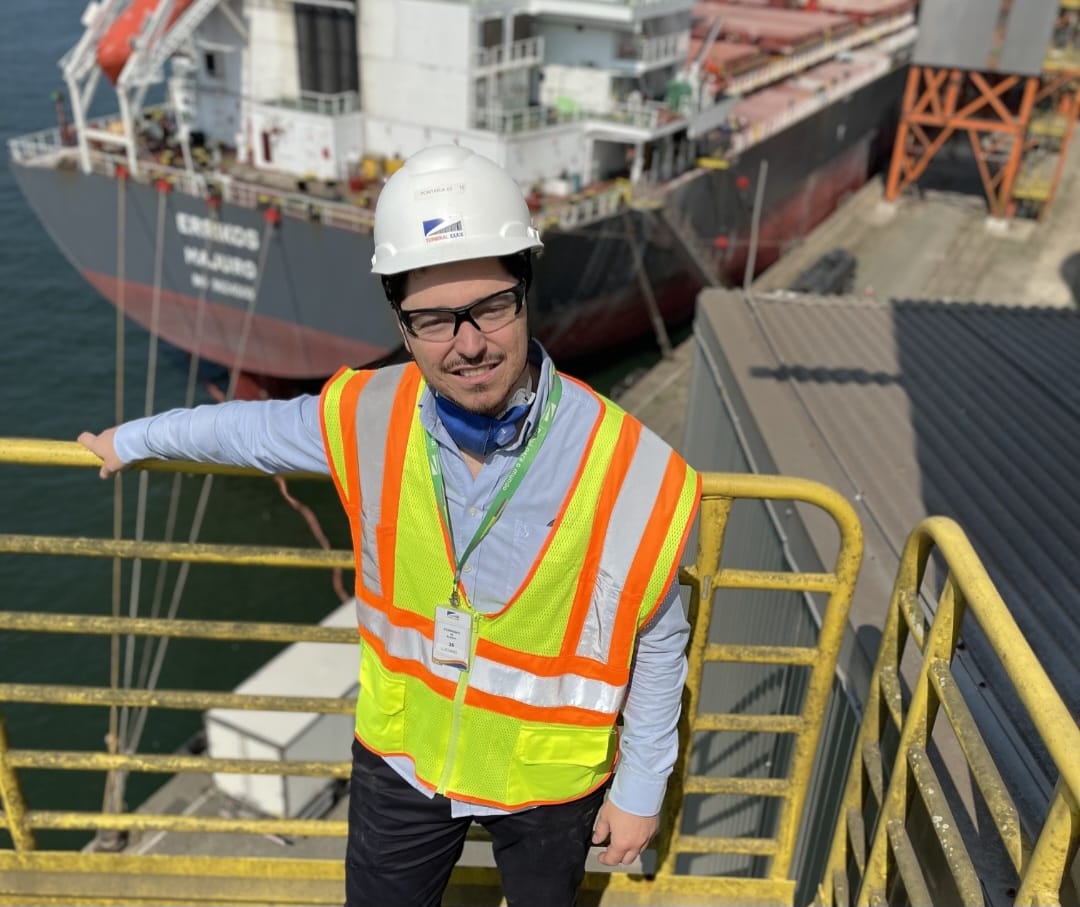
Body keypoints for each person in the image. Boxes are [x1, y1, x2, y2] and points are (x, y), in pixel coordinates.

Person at [79, 144, 701, 907]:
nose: (468, 343)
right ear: (401, 326)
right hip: (404, 755)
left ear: (526, 293)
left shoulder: (634, 466)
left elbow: (659, 636)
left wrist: (640, 787)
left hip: (547, 783)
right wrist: (131, 440)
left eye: (491, 307)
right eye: (434, 319)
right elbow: (246, 431)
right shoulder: (367, 416)